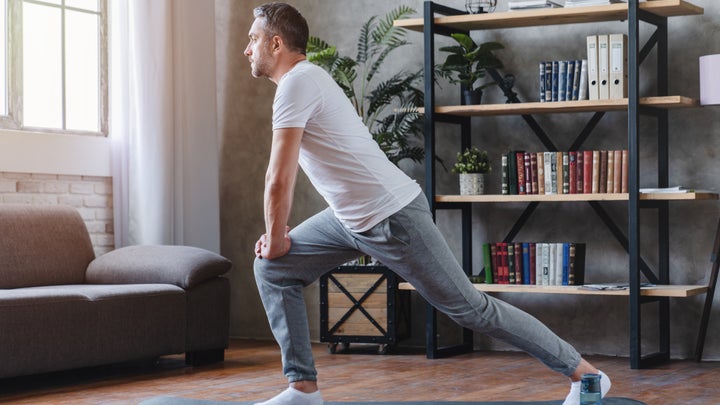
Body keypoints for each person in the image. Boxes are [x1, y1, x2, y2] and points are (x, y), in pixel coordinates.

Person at [247, 3, 611, 405]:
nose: (248, 49)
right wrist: (277, 244)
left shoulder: (298, 83)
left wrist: (277, 236)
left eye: (253, 39)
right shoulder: (302, 82)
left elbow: (278, 179)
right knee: (274, 270)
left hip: (393, 218)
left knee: (474, 310)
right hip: (349, 219)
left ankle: (587, 376)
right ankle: (302, 390)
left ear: (276, 42)